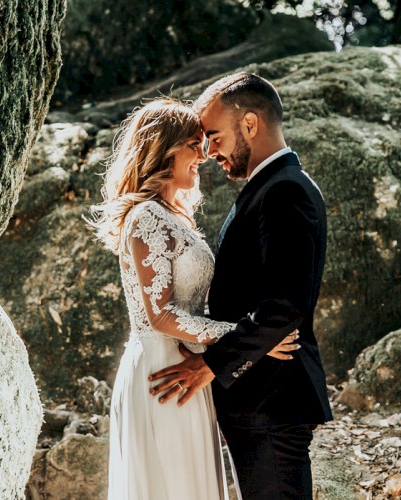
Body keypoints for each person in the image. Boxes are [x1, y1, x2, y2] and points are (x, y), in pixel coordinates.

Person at [88, 97, 299, 500]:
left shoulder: (171, 215)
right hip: (161, 372)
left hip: (185, 366)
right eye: (192, 144)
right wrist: (250, 336)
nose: (202, 156)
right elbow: (162, 316)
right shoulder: (147, 216)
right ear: (162, 149)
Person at [149, 73, 333, 499]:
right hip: (258, 398)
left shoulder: (285, 191)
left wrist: (210, 364)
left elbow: (286, 306)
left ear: (250, 124)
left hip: (272, 401)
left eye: (214, 137)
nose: (209, 151)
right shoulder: (269, 187)